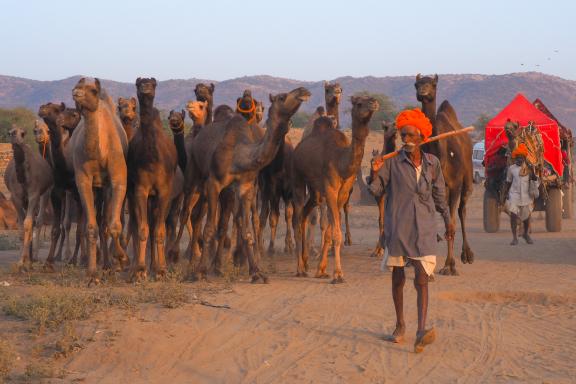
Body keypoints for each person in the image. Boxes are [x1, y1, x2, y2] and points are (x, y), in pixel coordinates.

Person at [367, 108, 454, 353]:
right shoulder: (391, 163)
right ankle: (400, 324)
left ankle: (420, 330)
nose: (405, 139)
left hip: (425, 228)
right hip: (398, 226)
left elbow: (439, 196)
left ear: (421, 138)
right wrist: (374, 171)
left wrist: (448, 220)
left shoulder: (432, 163)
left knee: (422, 278)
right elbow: (375, 191)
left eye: (410, 135)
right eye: (402, 135)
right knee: (398, 277)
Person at [505, 143, 539, 245]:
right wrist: (505, 194)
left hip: (526, 196)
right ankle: (514, 237)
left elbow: (535, 182)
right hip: (514, 196)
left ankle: (526, 234)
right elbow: (508, 182)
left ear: (524, 157)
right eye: (517, 157)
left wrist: (534, 176)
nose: (519, 159)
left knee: (526, 217)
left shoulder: (529, 169)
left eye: (521, 157)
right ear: (515, 157)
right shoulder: (511, 169)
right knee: (513, 217)